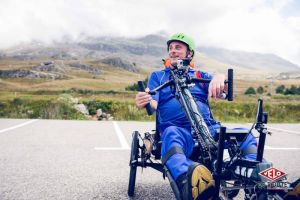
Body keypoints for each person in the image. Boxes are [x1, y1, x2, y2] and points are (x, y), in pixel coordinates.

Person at [135, 33, 258, 200]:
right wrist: (145, 99)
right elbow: (153, 104)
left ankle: (262, 176)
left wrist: (219, 78)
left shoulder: (199, 75)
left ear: (189, 53)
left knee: (245, 135)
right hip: (178, 129)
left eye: (178, 47)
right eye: (170, 48)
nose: (172, 51)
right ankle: (194, 183)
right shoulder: (158, 76)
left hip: (209, 128)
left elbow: (222, 89)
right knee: (171, 135)